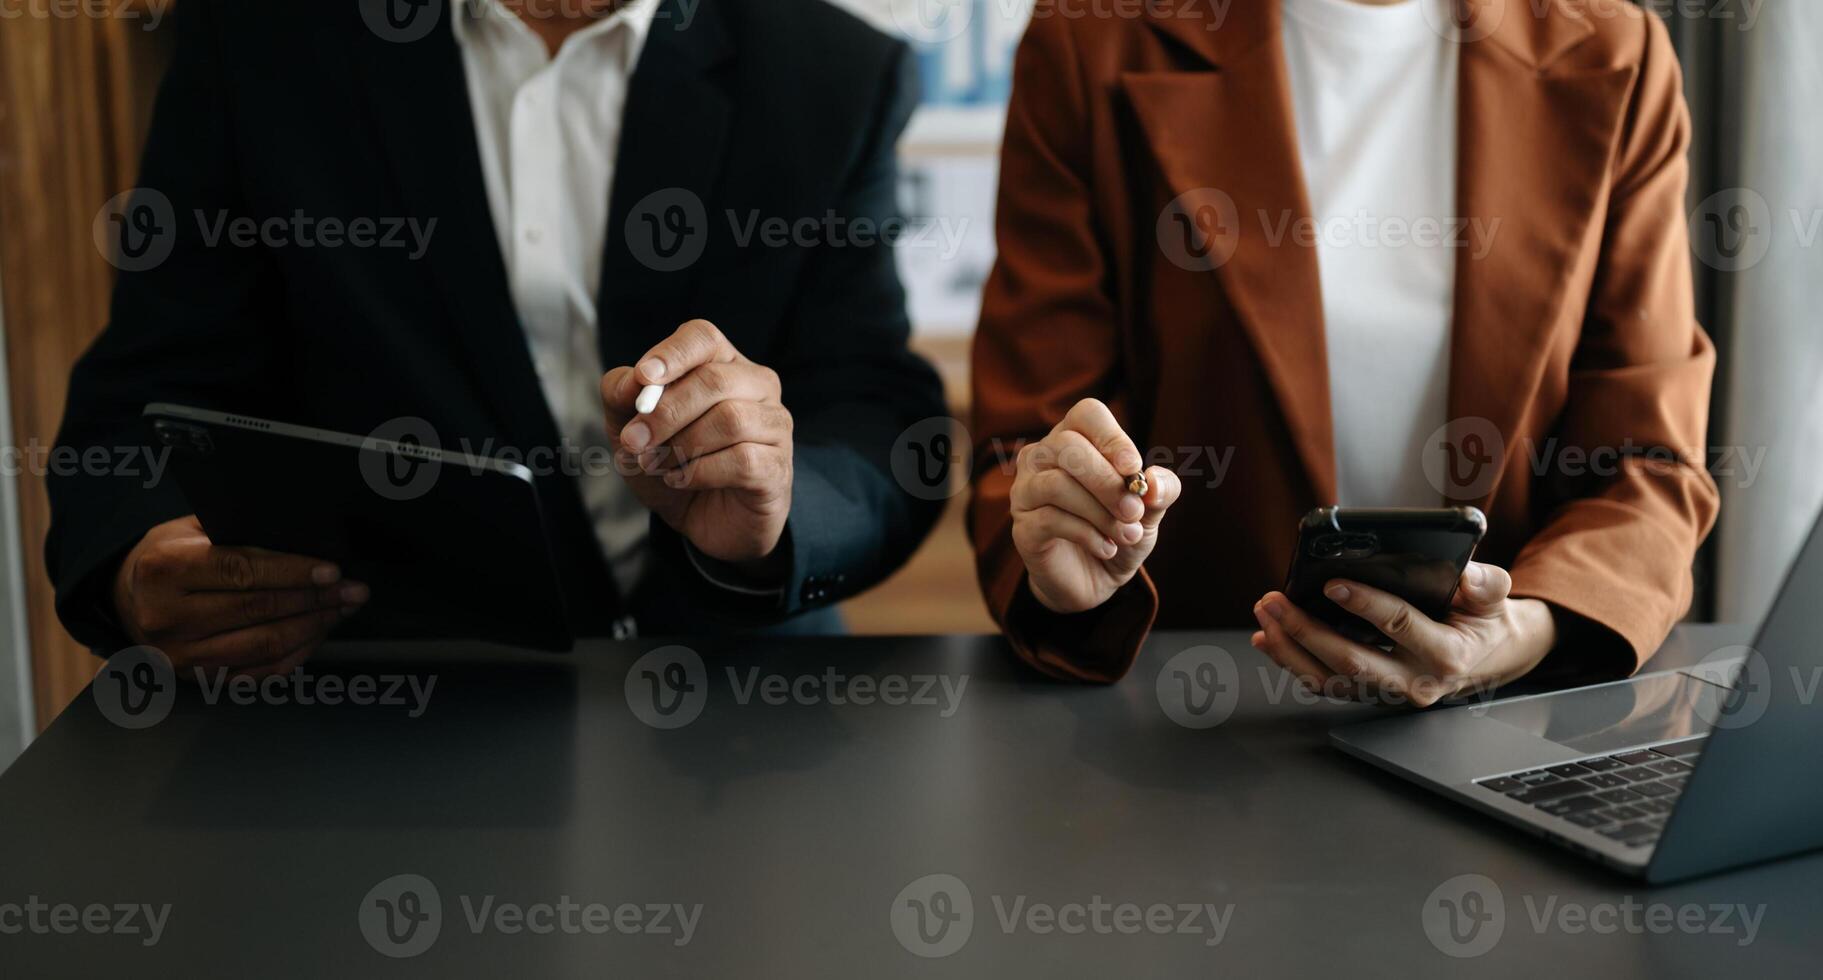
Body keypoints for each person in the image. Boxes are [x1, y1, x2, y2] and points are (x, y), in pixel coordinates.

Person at [48, 0, 947, 675]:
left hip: (741, 725)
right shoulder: (262, 41)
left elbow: (879, 421)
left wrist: (778, 511)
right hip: (392, 731)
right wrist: (137, 564)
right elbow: (139, 408)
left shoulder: (832, 71)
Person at [969, 0, 1718, 702]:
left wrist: (1527, 627)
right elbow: (1025, 446)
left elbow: (1647, 465)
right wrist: (1065, 558)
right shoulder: (1091, 34)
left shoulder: (1612, 46)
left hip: (1501, 719)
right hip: (1190, 718)